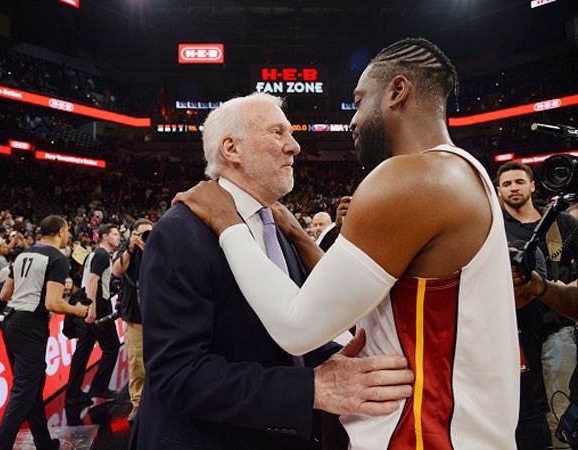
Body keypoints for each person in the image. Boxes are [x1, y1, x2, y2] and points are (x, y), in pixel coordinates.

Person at [175, 37, 520, 449]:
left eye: (358, 101)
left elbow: (297, 327)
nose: (353, 120)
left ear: (396, 91)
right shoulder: (466, 171)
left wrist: (225, 221)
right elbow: (355, 301)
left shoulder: (409, 179)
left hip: (423, 435)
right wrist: (301, 236)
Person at [134, 92, 414, 450]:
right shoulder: (180, 231)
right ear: (231, 149)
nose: (294, 146)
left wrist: (333, 358)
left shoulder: (277, 227)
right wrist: (313, 388)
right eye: (277, 133)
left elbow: (282, 337)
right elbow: (177, 374)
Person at [0, 215, 89, 450]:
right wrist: (78, 310)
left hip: (12, 322)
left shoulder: (22, 254)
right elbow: (53, 303)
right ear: (61, 231)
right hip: (30, 326)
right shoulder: (57, 258)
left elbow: (4, 295)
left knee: (32, 387)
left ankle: (43, 442)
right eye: (67, 230)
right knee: (24, 392)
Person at [497, 161, 578, 446]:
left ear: (532, 185)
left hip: (558, 328)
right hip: (513, 334)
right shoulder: (492, 229)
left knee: (561, 407)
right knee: (519, 415)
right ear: (499, 191)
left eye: (519, 181)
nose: (513, 188)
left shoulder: (561, 222)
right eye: (506, 184)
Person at [66, 223, 121, 406]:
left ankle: (73, 393)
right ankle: (98, 386)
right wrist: (93, 308)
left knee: (83, 350)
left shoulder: (94, 253)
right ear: (105, 236)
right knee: (112, 347)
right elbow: (92, 280)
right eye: (114, 234)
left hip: (88, 300)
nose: (118, 237)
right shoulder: (102, 255)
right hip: (97, 304)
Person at [111, 218, 153, 424]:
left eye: (150, 233)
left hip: (158, 318)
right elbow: (116, 271)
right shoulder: (128, 253)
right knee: (137, 363)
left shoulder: (159, 250)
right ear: (133, 235)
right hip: (136, 318)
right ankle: (137, 404)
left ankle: (159, 403)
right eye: (142, 234)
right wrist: (131, 248)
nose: (146, 237)